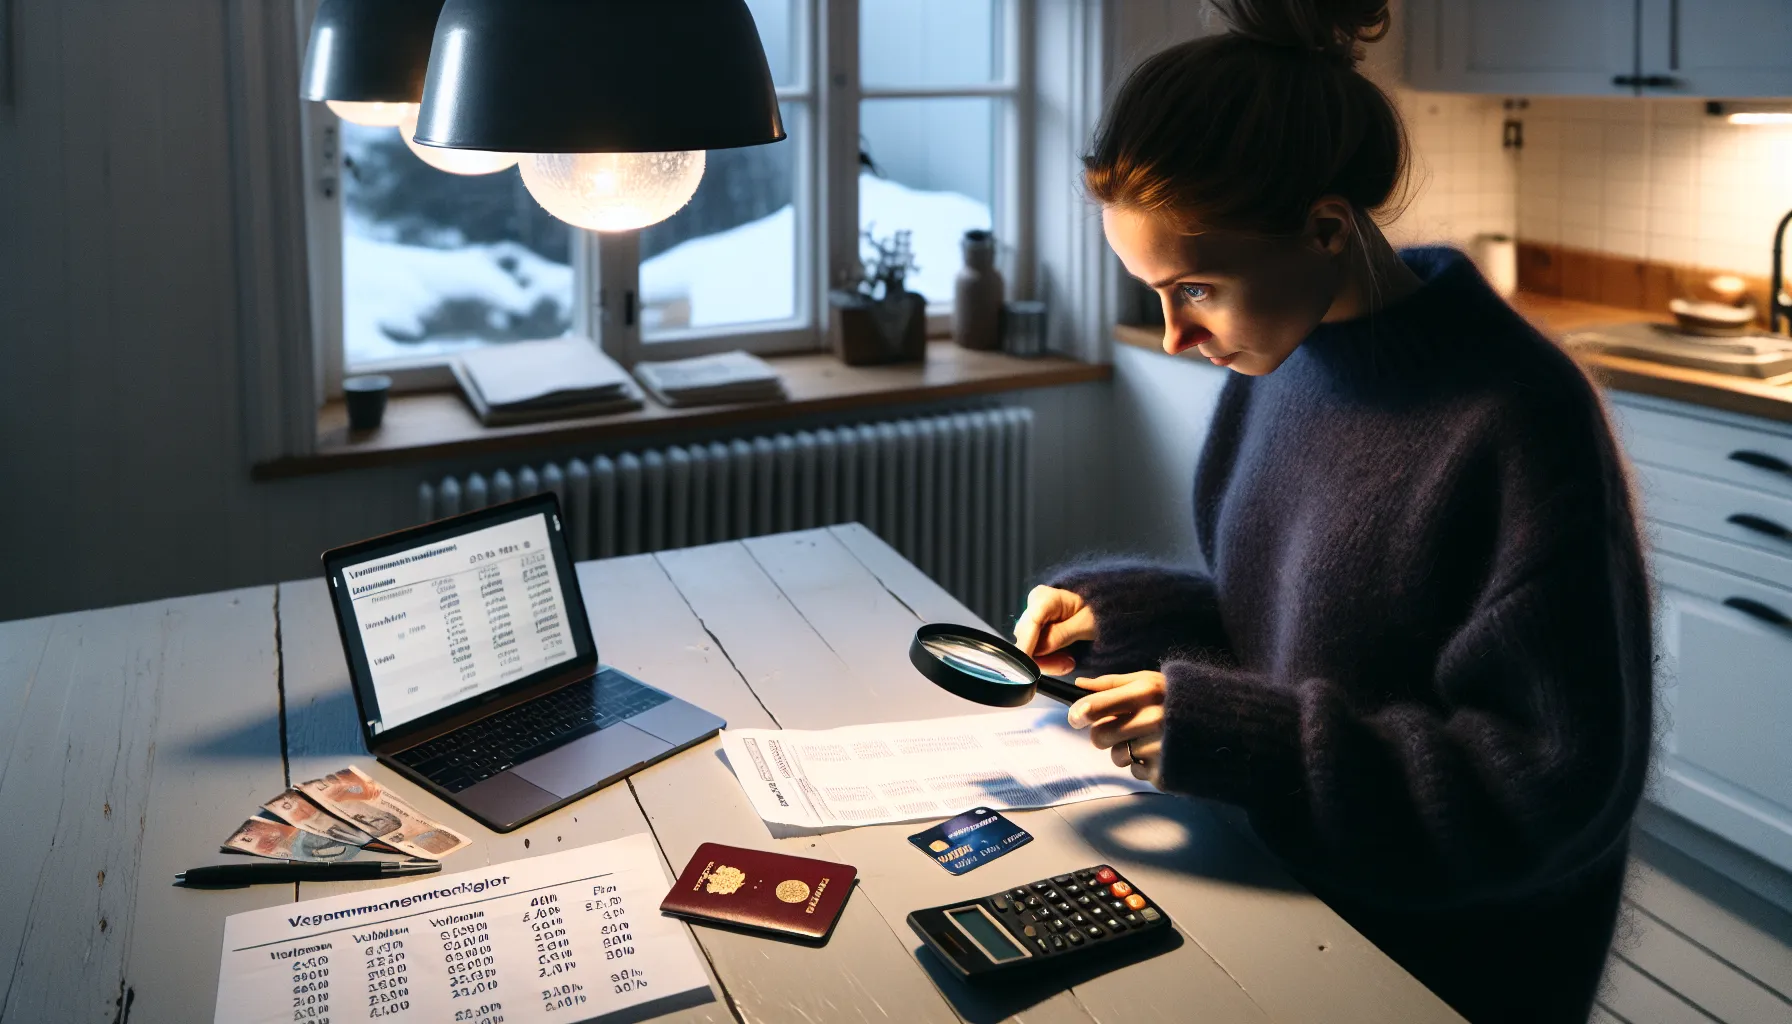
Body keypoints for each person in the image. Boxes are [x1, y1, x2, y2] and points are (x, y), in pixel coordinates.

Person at [1011, 3, 1653, 1021]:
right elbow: (1292, 631)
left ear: (1324, 227)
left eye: (1195, 289)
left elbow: (1544, 789)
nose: (1176, 336)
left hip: (1447, 964)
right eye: (1154, 291)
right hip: (1289, 903)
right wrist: (1122, 616)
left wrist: (1242, 737)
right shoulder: (1281, 365)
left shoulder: (1517, 419)